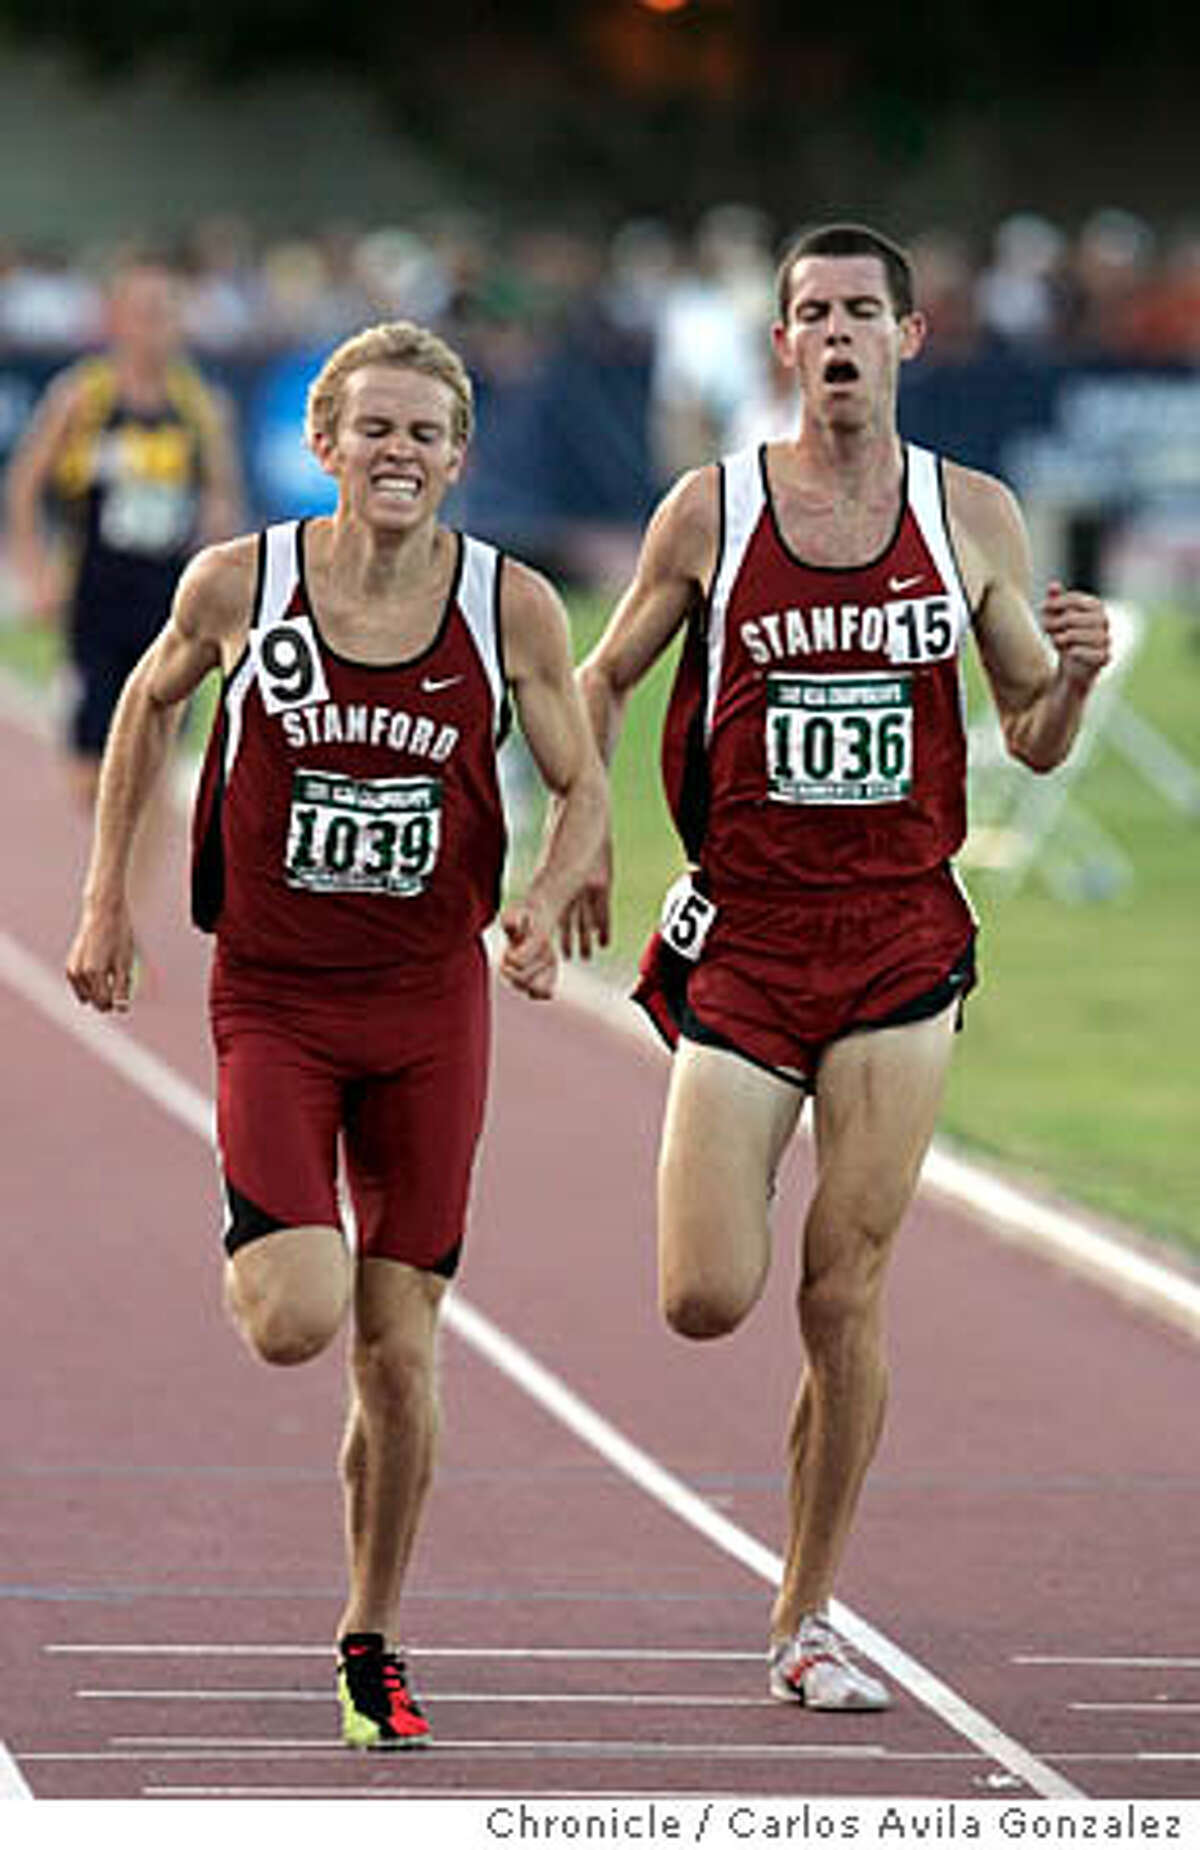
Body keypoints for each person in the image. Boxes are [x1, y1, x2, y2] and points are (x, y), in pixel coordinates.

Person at [564, 223, 1111, 1711]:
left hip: (898, 937)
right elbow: (600, 677)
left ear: (909, 339)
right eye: (813, 313)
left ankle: (804, 1616)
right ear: (786, 348)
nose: (840, 334)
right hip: (745, 937)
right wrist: (580, 839)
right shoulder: (713, 510)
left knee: (844, 1290)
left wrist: (1077, 673)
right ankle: (800, 1590)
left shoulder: (970, 515)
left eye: (865, 310)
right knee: (703, 1292)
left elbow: (1034, 734)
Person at [64, 319, 607, 1748]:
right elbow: (144, 700)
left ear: (458, 456)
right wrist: (107, 899)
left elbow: (583, 782)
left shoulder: (515, 608)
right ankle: (263, 1216)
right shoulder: (241, 581)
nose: (399, 455)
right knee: (295, 1319)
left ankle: (372, 1636)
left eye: (426, 435)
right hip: (281, 999)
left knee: (400, 1343)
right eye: (374, 429)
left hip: (431, 1009)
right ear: (322, 443)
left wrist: (547, 897)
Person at [4, 252, 242, 885]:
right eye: (142, 312)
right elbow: (24, 488)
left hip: (172, 613)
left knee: (156, 774)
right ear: (116, 319)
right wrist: (36, 572)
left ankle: (122, 915)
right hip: (94, 605)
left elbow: (224, 501)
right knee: (92, 777)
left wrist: (221, 565)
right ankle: (113, 881)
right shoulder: (82, 397)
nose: (155, 326)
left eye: (166, 313)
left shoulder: (202, 407)